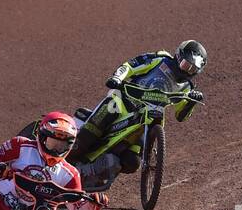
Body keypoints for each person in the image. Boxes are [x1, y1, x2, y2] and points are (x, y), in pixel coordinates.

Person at [69, 40, 207, 189]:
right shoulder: (159, 60)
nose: (187, 71)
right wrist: (117, 78)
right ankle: (60, 164)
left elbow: (181, 116)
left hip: (148, 119)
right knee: (88, 136)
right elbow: (130, 66)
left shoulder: (187, 87)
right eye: (186, 65)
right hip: (122, 102)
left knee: (132, 162)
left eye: (192, 69)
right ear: (178, 57)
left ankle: (92, 176)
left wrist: (191, 102)